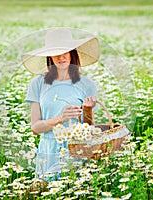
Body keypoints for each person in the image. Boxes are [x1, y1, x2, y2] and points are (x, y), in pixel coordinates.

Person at [23, 28, 100, 185]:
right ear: (49, 56)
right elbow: (35, 128)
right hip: (48, 149)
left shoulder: (86, 84)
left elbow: (90, 129)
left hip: (76, 149)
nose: (61, 56)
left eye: (65, 51)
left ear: (73, 52)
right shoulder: (38, 83)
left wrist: (88, 110)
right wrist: (60, 118)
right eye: (55, 52)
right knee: (44, 192)